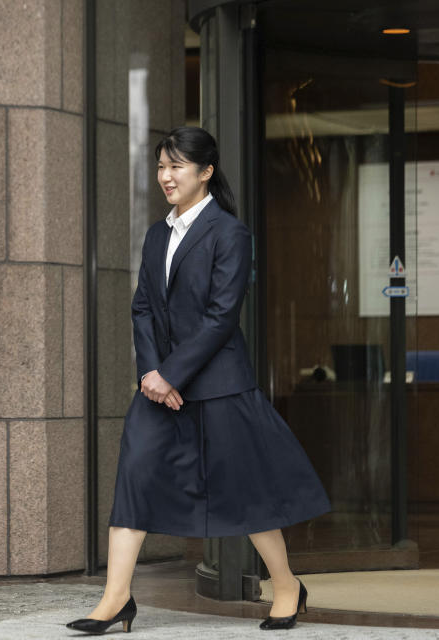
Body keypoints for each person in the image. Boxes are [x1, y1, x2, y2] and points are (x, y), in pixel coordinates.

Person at [66, 127, 330, 634]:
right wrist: (150, 373)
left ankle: (287, 586)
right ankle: (116, 598)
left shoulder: (230, 233)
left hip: (219, 384)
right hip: (157, 388)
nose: (165, 176)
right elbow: (141, 306)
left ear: (205, 172)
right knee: (135, 476)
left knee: (246, 490)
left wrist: (171, 373)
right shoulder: (156, 234)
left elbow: (221, 317)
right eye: (161, 167)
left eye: (176, 167)